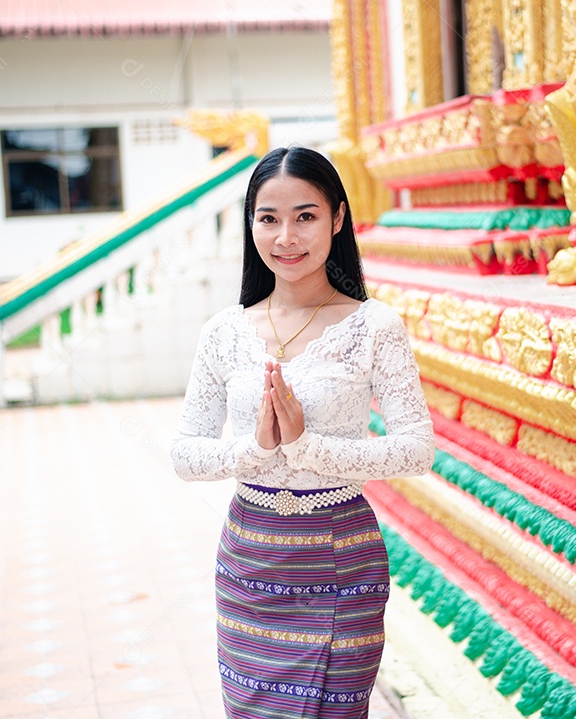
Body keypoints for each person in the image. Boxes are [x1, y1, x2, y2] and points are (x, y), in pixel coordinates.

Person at [170, 146, 435, 719]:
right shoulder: (223, 332)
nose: (286, 236)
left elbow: (417, 449)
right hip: (250, 562)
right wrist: (257, 448)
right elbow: (185, 455)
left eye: (306, 216)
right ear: (251, 224)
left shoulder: (374, 327)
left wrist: (307, 448)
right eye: (268, 218)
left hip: (340, 557)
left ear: (338, 219)